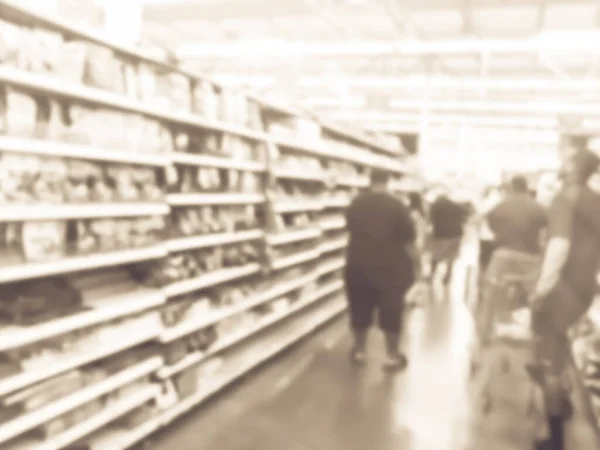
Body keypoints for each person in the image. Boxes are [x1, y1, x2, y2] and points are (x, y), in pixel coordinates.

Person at [529, 149, 600, 450]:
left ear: (571, 167)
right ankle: (564, 402)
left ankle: (554, 436)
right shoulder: (595, 199)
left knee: (548, 357)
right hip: (585, 286)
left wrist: (540, 290)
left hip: (563, 285)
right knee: (561, 347)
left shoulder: (565, 198)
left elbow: (559, 244)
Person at [344, 169, 420, 370]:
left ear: (370, 181)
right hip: (390, 268)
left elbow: (351, 230)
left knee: (359, 308)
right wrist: (418, 267)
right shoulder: (397, 206)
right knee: (391, 311)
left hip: (358, 265)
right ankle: (392, 356)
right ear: (388, 182)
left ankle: (359, 351)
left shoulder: (356, 204)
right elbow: (408, 242)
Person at [428, 189, 469, 287]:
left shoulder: (435, 206)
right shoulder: (455, 205)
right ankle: (448, 276)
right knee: (451, 257)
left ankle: (432, 274)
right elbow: (465, 215)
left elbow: (430, 219)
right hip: (456, 234)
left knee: (436, 256)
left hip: (441, 234)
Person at [476, 186, 502, 274]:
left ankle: (485, 275)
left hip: (486, 235)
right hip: (495, 235)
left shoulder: (488, 202)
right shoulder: (499, 201)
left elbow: (480, 216)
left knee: (485, 259)